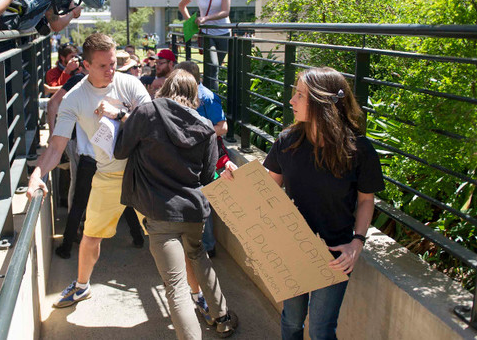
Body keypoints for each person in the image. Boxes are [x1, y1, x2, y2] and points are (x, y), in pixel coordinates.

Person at [221, 67, 383, 340]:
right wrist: (236, 180)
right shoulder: (287, 141)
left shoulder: (360, 150)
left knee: (321, 330)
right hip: (291, 248)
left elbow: (367, 200)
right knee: (292, 321)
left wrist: (357, 242)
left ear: (321, 102)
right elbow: (266, 189)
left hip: (335, 254)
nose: (291, 101)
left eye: (299, 95)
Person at [26, 33, 150, 308]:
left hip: (142, 173)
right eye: (104, 66)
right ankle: (82, 286)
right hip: (107, 175)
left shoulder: (130, 84)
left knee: (167, 234)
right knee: (91, 237)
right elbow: (57, 146)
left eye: (113, 63)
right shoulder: (74, 98)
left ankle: (195, 294)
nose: (111, 71)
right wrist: (37, 175)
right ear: (86, 66)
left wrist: (119, 115)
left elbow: (152, 128)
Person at [114, 70, 238, 339]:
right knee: (199, 259)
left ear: (166, 87)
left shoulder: (146, 113)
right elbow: (206, 177)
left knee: (176, 286)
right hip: (194, 212)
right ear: (194, 95)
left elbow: (120, 150)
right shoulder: (205, 125)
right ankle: (223, 318)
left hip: (159, 213)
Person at [175, 60, 228, 257]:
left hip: (204, 156)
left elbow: (222, 128)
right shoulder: (183, 96)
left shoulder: (206, 97)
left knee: (203, 198)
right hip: (189, 155)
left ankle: (208, 246)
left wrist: (194, 135)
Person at [178, 0, 231, 78]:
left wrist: (205, 18)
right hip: (207, 33)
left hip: (224, 32)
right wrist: (191, 22)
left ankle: (212, 93)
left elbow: (225, 12)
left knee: (216, 69)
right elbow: (181, 5)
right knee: (213, 65)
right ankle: (210, 93)